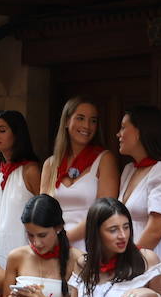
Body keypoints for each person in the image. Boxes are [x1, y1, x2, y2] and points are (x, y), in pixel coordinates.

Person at [41, 96, 120, 241]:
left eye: (93, 120)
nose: (87, 126)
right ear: (66, 121)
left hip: (89, 244)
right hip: (52, 246)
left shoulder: (105, 159)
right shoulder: (50, 164)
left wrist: (63, 240)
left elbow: (103, 212)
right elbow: (42, 212)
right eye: (81, 118)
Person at [117, 105, 161, 257]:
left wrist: (129, 261)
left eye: (123, 128)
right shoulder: (128, 170)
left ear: (139, 132)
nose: (118, 134)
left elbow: (156, 229)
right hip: (125, 255)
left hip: (150, 257)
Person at [0, 110, 42, 262]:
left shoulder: (31, 171)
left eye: (2, 130)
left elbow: (43, 218)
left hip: (26, 259)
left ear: (17, 133)